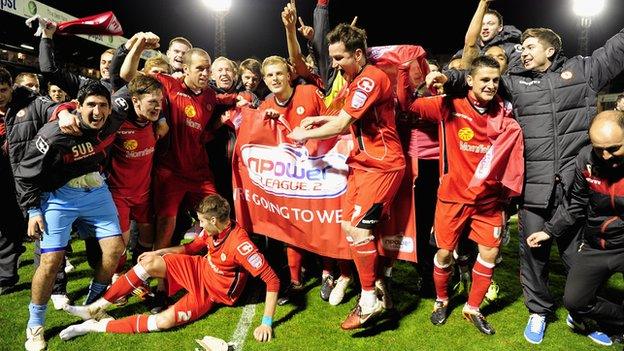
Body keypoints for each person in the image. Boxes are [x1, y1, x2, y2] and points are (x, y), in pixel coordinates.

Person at [434, 25, 624, 344]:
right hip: (533, 189)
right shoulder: (515, 82)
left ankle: (581, 313)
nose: (523, 50)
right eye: (521, 45)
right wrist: (447, 78)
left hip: (575, 190)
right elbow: (482, 79)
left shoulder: (584, 70)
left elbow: (616, 49)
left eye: (530, 45)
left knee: (577, 258)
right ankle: (538, 310)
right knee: (533, 254)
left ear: (550, 49)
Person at [288, 23, 405, 330]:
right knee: (349, 228)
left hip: (382, 164)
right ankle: (378, 288)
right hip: (362, 163)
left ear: (357, 53)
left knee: (360, 231)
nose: (335, 64)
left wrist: (302, 132)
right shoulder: (355, 78)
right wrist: (320, 117)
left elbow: (342, 125)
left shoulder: (370, 79)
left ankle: (369, 300)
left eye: (339, 58)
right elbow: (346, 119)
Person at [59, 194, 279, 343]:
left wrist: (266, 323)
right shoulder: (214, 229)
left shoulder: (241, 245)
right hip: (200, 269)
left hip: (211, 293)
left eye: (202, 221)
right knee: (147, 262)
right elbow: (192, 247)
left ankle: (95, 327)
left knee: (163, 322)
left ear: (214, 219)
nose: (199, 225)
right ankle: (94, 309)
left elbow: (272, 280)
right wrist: (159, 252)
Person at [406, 56, 523, 335]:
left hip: (489, 200)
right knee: (444, 254)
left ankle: (472, 307)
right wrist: (423, 83)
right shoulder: (450, 105)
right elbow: (412, 105)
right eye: (484, 79)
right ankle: (442, 300)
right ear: (469, 80)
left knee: (490, 252)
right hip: (453, 197)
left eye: (495, 80)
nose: (491, 85)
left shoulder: (505, 113)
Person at [9, 81, 128, 351]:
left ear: (111, 108)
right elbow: (24, 173)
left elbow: (131, 86)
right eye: (91, 105)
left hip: (96, 190)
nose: (97, 112)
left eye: (103, 106)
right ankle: (35, 323)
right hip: (59, 196)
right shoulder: (54, 134)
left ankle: (93, 306)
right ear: (77, 106)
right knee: (50, 262)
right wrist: (33, 210)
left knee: (115, 249)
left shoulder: (116, 115)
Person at [527, 110, 624, 347]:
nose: (605, 155)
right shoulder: (586, 159)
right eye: (598, 148)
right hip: (596, 246)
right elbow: (575, 204)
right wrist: (549, 230)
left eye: (614, 148)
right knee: (576, 301)